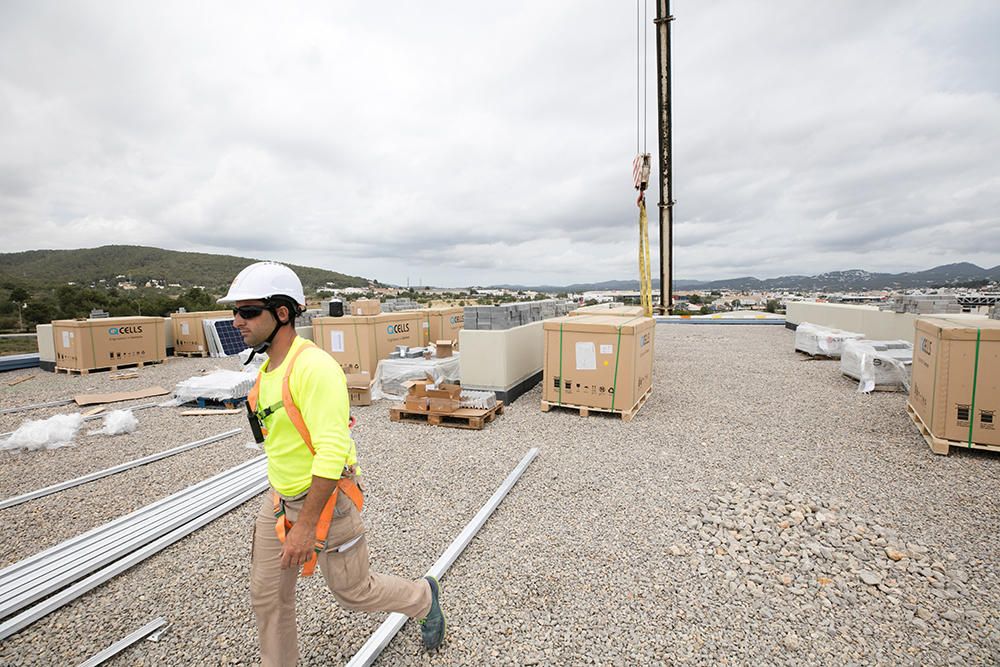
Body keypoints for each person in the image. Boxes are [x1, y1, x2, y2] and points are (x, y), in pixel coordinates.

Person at [218, 261, 445, 666]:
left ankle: (423, 597)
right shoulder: (268, 368)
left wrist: (305, 525)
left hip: (324, 501)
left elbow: (332, 451)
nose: (237, 321)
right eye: (235, 311)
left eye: (248, 311)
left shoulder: (314, 368)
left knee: (354, 592)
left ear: (282, 313)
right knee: (267, 596)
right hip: (278, 501)